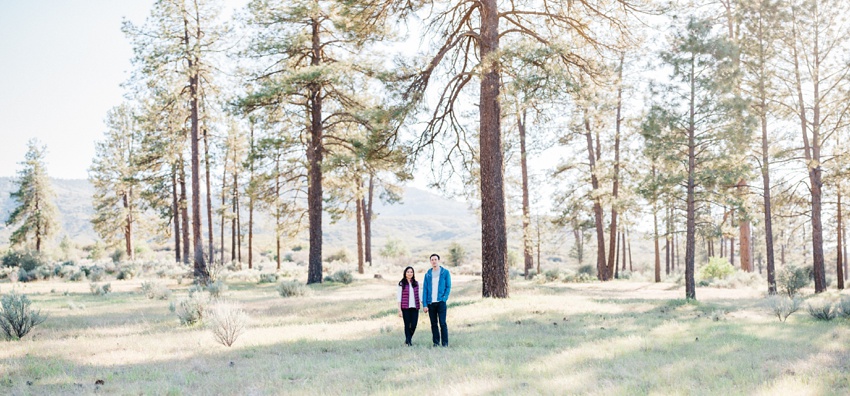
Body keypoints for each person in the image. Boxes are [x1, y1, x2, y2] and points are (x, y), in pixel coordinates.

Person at [422, 253, 451, 347]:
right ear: (430, 262)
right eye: (432, 260)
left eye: (435, 259)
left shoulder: (445, 272)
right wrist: (425, 304)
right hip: (431, 303)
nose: (434, 261)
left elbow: (448, 286)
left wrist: (444, 298)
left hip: (441, 302)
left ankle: (445, 343)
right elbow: (425, 289)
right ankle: (436, 343)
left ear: (439, 260)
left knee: (442, 323)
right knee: (433, 324)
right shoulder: (427, 275)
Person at [397, 266, 421, 346]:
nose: (409, 273)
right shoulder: (401, 283)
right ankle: (409, 342)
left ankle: (407, 340)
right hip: (405, 307)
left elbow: (419, 295)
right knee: (407, 325)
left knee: (414, 325)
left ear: (413, 273)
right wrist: (399, 310)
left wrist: (424, 305)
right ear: (405, 273)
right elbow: (399, 297)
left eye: (411, 272)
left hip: (415, 307)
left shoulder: (416, 283)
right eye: (408, 272)